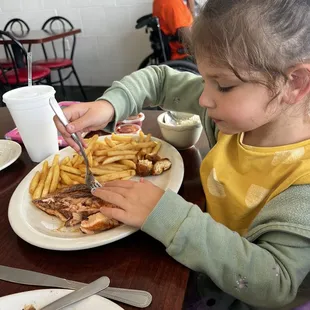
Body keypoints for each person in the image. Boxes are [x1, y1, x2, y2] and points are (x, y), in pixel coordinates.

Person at [55, 0, 310, 309]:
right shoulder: (237, 121)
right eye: (204, 79)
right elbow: (160, 80)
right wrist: (109, 106)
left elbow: (276, 284)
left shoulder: (303, 182)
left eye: (223, 85)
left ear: (295, 83)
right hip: (203, 268)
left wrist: (168, 216)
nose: (204, 98)